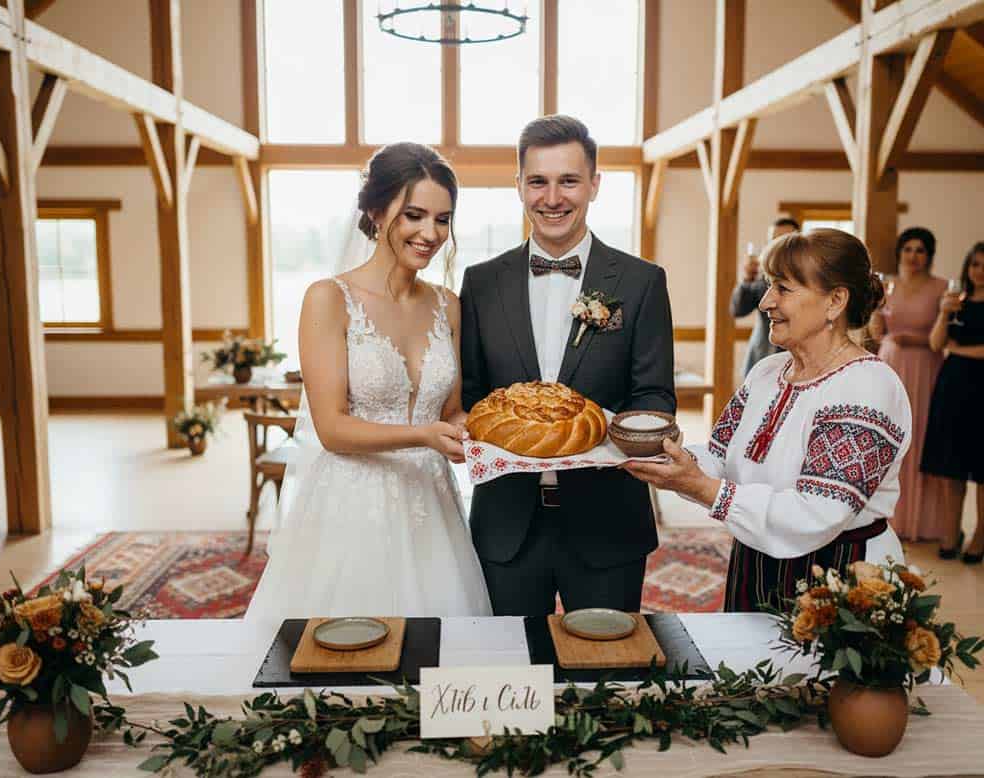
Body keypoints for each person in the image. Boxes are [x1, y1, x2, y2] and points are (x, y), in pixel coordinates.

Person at [246, 142, 491, 623]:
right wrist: (422, 437)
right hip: (353, 505)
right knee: (346, 657)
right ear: (377, 212)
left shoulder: (449, 305)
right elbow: (332, 429)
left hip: (432, 504)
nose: (430, 233)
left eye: (443, 219)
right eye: (414, 215)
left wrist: (498, 431)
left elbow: (451, 412)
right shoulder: (328, 299)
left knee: (442, 654)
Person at [623, 229, 910, 612]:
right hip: (756, 563)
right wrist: (668, 459)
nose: (765, 302)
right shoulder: (768, 372)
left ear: (835, 301)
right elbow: (719, 452)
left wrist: (709, 491)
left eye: (783, 289)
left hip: (840, 579)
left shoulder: (868, 386)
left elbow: (819, 512)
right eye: (768, 286)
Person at [460, 115, 676, 616]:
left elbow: (655, 396)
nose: (552, 198)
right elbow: (472, 396)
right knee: (512, 676)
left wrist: (614, 436)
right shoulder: (481, 283)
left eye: (569, 181)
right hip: (506, 525)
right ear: (518, 186)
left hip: (608, 525)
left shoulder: (642, 282)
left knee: (606, 678)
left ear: (594, 185)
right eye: (538, 181)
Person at [867, 227, 948, 542]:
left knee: (922, 438)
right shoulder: (888, 284)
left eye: (921, 250)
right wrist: (875, 314)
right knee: (889, 436)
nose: (913, 256)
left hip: (925, 368)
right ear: (899, 252)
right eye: (908, 249)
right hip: (890, 365)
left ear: (929, 255)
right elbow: (876, 332)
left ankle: (922, 523)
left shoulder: (941, 287)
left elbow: (941, 337)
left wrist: (909, 338)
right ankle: (887, 518)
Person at [921, 242, 984, 563]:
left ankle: (979, 536)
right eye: (974, 264)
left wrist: (956, 350)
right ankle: (950, 532)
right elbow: (935, 343)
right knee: (952, 467)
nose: (979, 271)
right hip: (954, 386)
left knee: (982, 470)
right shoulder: (956, 302)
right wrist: (944, 314)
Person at [730, 217, 800, 378]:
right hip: (762, 352)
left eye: (784, 240)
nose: (778, 246)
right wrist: (747, 279)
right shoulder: (761, 275)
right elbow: (737, 310)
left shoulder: (808, 276)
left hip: (796, 354)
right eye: (774, 241)